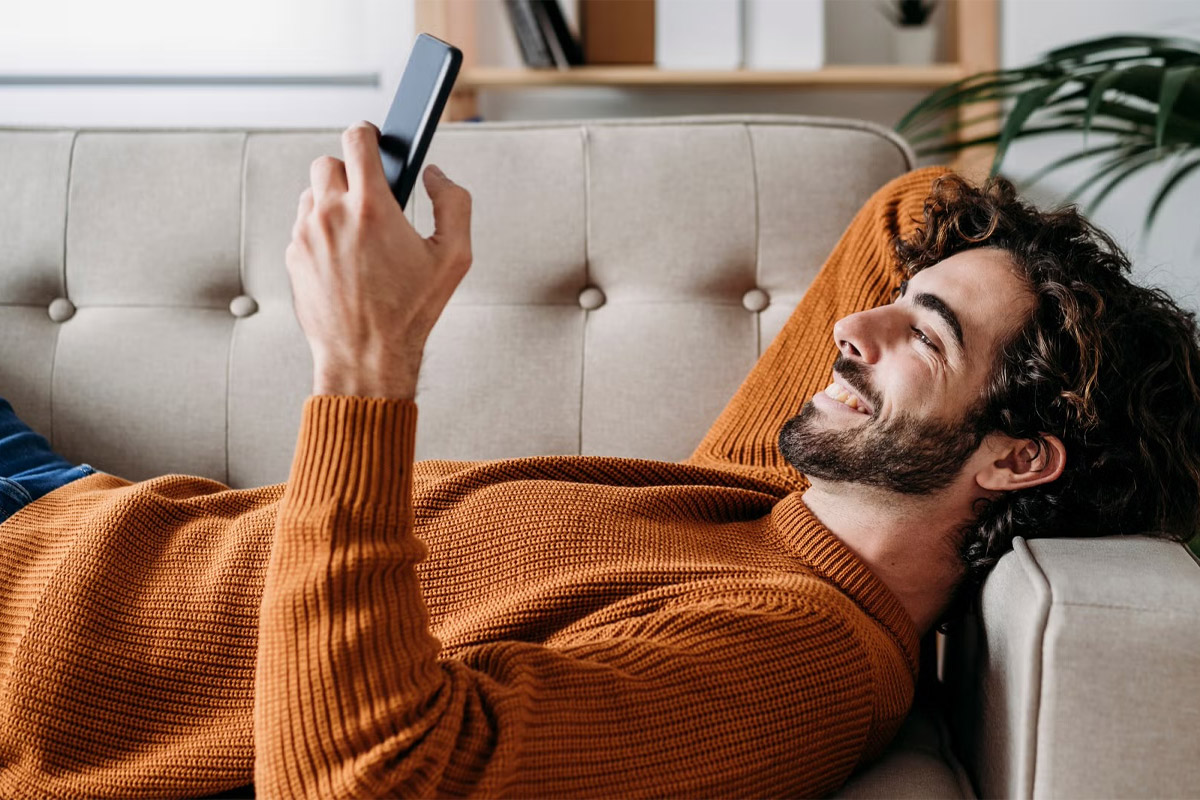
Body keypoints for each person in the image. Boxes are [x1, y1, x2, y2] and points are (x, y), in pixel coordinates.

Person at [0, 121, 1196, 800]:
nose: (857, 324)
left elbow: (372, 778)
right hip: (79, 510)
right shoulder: (783, 501)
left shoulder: (798, 660)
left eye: (922, 333)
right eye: (901, 305)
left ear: (1019, 457)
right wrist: (1003, 285)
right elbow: (917, 205)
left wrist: (364, 370)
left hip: (30, 641)